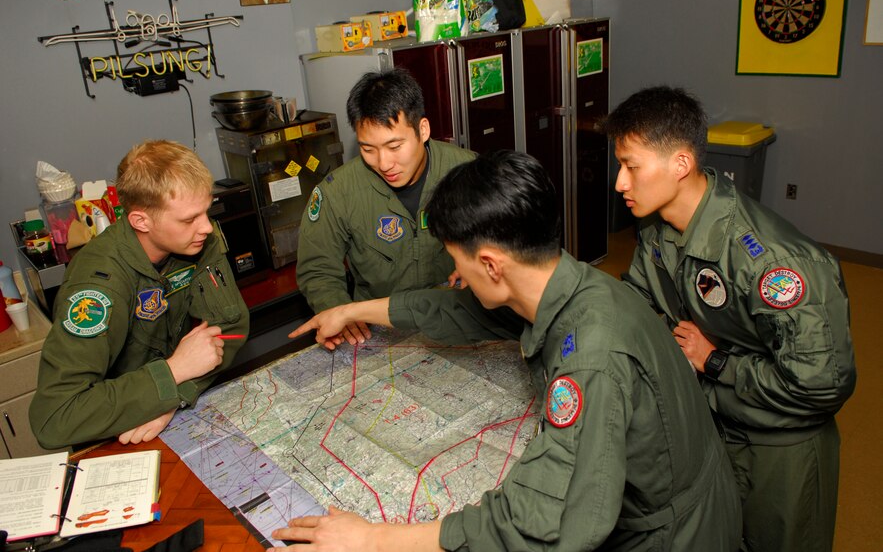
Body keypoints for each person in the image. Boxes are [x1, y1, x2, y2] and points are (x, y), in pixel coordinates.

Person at [273, 150, 741, 551]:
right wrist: (356, 309)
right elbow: (461, 311)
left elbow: (545, 518)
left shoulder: (593, 358)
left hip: (674, 535)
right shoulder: (562, 280)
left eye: (456, 261)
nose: (455, 274)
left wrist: (373, 540)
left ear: (491, 264)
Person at [603, 85, 857, 552]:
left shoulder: (774, 262)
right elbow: (641, 300)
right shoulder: (658, 231)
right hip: (715, 424)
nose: (620, 182)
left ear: (681, 164)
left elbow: (821, 384)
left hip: (780, 446)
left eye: (631, 167)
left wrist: (717, 362)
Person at [29, 140, 249, 450]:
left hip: (170, 416)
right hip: (116, 436)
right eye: (189, 219)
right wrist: (173, 372)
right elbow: (54, 418)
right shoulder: (98, 285)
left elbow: (231, 328)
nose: (206, 228)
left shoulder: (196, 241)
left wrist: (173, 395)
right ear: (141, 221)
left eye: (206, 211)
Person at [296, 67, 475, 345]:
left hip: (455, 314)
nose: (383, 163)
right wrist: (339, 310)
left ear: (423, 130)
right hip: (378, 331)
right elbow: (317, 268)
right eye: (368, 149)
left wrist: (477, 262)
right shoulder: (338, 192)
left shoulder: (466, 170)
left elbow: (504, 236)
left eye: (394, 146)